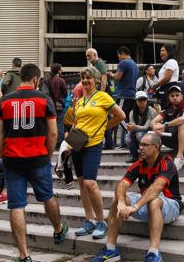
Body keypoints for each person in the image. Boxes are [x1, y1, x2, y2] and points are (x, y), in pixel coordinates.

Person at [0, 63, 69, 262]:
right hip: (38, 159)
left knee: (16, 205)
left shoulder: (5, 101)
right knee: (47, 197)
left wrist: (4, 153)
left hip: (13, 161)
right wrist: (48, 153)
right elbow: (53, 132)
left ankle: (24, 255)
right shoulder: (44, 100)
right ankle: (58, 229)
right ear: (36, 79)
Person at [90, 132, 182, 262]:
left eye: (145, 145)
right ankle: (111, 250)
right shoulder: (139, 164)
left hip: (171, 206)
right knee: (116, 199)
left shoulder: (166, 162)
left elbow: (157, 188)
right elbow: (121, 185)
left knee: (154, 201)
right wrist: (121, 202)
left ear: (156, 147)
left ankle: (154, 253)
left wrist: (136, 206)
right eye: (140, 145)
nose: (140, 148)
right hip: (146, 205)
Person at [72, 66, 125, 239]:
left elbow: (121, 115)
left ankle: (101, 221)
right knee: (81, 184)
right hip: (77, 145)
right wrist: (67, 144)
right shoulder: (79, 101)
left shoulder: (103, 96)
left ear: (95, 80)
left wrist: (104, 128)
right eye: (83, 78)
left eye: (88, 78)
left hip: (93, 144)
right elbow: (75, 124)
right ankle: (89, 220)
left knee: (90, 183)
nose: (86, 81)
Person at [150, 85, 184, 170]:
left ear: (182, 96)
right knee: (157, 126)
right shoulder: (166, 110)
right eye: (172, 96)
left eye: (177, 95)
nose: (175, 98)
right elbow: (153, 122)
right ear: (169, 97)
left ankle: (180, 157)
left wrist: (164, 125)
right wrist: (156, 127)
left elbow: (183, 119)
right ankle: (155, 157)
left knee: (182, 124)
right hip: (173, 140)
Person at [110, 46, 139, 148]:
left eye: (119, 56)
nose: (118, 58)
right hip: (133, 95)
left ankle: (130, 134)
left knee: (119, 116)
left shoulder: (124, 62)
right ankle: (125, 143)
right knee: (128, 118)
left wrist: (110, 74)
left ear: (122, 53)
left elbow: (117, 77)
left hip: (124, 95)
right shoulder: (135, 64)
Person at [126, 91, 159, 163]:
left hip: (152, 132)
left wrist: (134, 127)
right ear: (136, 101)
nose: (142, 101)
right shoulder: (132, 112)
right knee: (128, 136)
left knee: (139, 135)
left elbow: (146, 127)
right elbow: (132, 128)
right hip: (138, 131)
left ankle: (146, 155)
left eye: (144, 99)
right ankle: (134, 156)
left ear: (147, 100)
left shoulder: (151, 111)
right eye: (140, 100)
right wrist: (130, 128)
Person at [46, 63, 69, 147]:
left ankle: (49, 141)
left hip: (47, 106)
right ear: (59, 70)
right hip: (58, 106)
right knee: (59, 124)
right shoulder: (61, 81)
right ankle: (58, 143)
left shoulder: (46, 80)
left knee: (49, 124)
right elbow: (66, 94)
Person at [154, 45, 180, 109]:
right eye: (160, 51)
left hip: (169, 87)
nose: (161, 53)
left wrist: (156, 85)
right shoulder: (167, 63)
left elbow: (167, 78)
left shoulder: (171, 61)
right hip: (165, 88)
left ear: (169, 52)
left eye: (163, 50)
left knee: (168, 109)